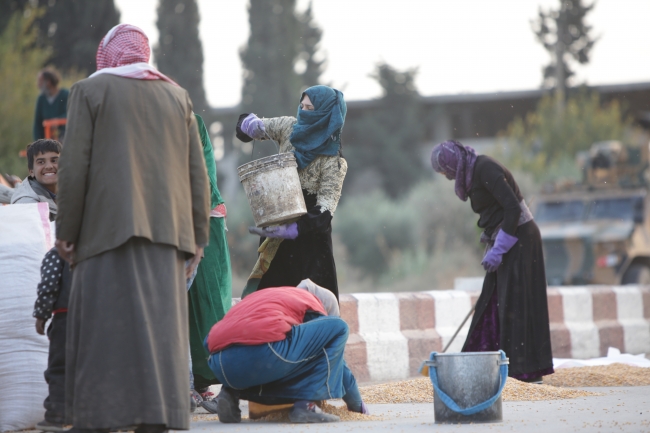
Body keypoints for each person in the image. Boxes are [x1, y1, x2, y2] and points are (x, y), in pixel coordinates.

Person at [55, 24, 210, 433]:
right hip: (167, 239)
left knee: (104, 332)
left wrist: (66, 229)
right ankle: (158, 419)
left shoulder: (90, 91)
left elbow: (73, 167)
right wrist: (198, 238)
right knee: (160, 336)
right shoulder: (178, 96)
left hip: (105, 234)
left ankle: (101, 420)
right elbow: (198, 176)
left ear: (107, 55)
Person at [429, 140, 554, 382]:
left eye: (445, 169)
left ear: (453, 162)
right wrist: (493, 242)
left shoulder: (485, 168)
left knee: (516, 304)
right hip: (506, 239)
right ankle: (483, 368)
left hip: (521, 239)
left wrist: (500, 248)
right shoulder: (471, 173)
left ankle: (524, 371)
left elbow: (512, 209)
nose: (446, 175)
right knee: (493, 300)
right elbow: (495, 212)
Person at [237, 85, 348, 300]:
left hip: (310, 244)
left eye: (311, 109)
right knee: (270, 303)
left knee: (308, 308)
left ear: (325, 114)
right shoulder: (289, 128)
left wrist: (292, 229)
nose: (304, 112)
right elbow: (253, 129)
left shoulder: (333, 162)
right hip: (278, 232)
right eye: (302, 106)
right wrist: (249, 125)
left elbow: (325, 210)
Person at [205, 286, 368, 424]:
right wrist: (357, 405)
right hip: (263, 354)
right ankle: (305, 406)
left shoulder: (270, 297)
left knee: (261, 352)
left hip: (219, 363)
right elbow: (337, 361)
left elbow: (209, 342)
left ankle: (230, 393)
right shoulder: (311, 304)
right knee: (339, 327)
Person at [188, 114, 232, 398]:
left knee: (211, 300)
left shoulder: (190, 121)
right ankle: (188, 380)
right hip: (173, 221)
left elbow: (199, 176)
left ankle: (207, 379)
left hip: (202, 221)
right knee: (183, 305)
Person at [33, 248, 72, 432]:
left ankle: (57, 416)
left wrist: (41, 314)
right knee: (97, 368)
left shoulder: (59, 252)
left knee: (60, 368)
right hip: (98, 319)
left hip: (66, 317)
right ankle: (105, 417)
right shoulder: (99, 252)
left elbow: (49, 283)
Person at [11, 139, 60, 220]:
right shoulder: (27, 205)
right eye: (41, 162)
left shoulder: (71, 191)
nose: (49, 166)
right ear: (31, 171)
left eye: (54, 161)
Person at [33, 68, 69, 140]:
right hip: (48, 140)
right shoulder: (41, 99)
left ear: (48, 82)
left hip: (66, 137)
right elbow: (38, 124)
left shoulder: (66, 95)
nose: (38, 85)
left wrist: (56, 121)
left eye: (40, 81)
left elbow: (72, 113)